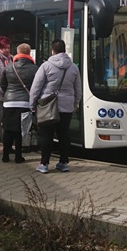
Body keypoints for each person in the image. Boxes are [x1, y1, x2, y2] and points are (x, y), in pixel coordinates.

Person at [29, 39, 82, 174]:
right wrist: (75, 102)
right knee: (64, 134)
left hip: (48, 105)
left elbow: (36, 87)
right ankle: (64, 163)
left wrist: (33, 104)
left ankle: (44, 164)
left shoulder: (46, 66)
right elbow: (78, 89)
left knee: (46, 135)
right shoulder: (74, 67)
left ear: (53, 51)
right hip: (67, 107)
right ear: (65, 50)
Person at [0, 43, 37, 163]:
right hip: (25, 103)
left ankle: (5, 155)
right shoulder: (35, 69)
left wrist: (8, 95)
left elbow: (2, 84)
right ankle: (18, 156)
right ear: (29, 53)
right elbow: (37, 87)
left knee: (8, 129)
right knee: (21, 130)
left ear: (17, 52)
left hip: (9, 103)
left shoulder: (9, 67)